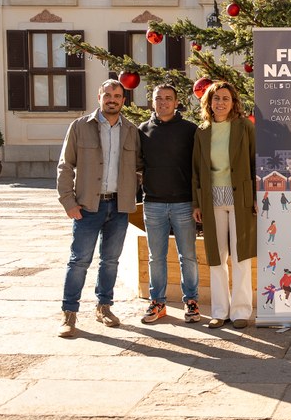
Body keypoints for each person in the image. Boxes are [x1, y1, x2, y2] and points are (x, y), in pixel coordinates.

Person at [56, 79, 142, 338]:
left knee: (110, 261)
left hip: (119, 206)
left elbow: (139, 167)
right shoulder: (80, 127)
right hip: (87, 206)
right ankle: (69, 313)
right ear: (99, 97)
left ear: (123, 100)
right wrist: (68, 202)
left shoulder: (131, 130)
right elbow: (65, 166)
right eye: (108, 95)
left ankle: (104, 307)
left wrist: (134, 192)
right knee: (79, 261)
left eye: (117, 95)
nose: (112, 99)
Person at [192, 81, 256, 330]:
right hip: (211, 199)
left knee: (241, 256)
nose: (220, 103)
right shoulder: (202, 131)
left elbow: (254, 162)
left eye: (225, 98)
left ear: (233, 102)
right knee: (217, 257)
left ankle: (241, 311)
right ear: (209, 102)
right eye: (216, 98)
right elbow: (196, 171)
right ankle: (219, 311)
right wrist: (197, 202)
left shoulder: (244, 127)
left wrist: (254, 196)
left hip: (239, 198)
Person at [138, 84, 200, 325]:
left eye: (168, 98)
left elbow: (197, 167)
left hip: (183, 203)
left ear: (177, 102)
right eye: (158, 98)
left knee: (189, 256)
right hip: (153, 203)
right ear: (152, 102)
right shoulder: (142, 130)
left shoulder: (190, 130)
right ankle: (158, 302)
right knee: (156, 257)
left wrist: (197, 201)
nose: (163, 102)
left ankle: (192, 301)